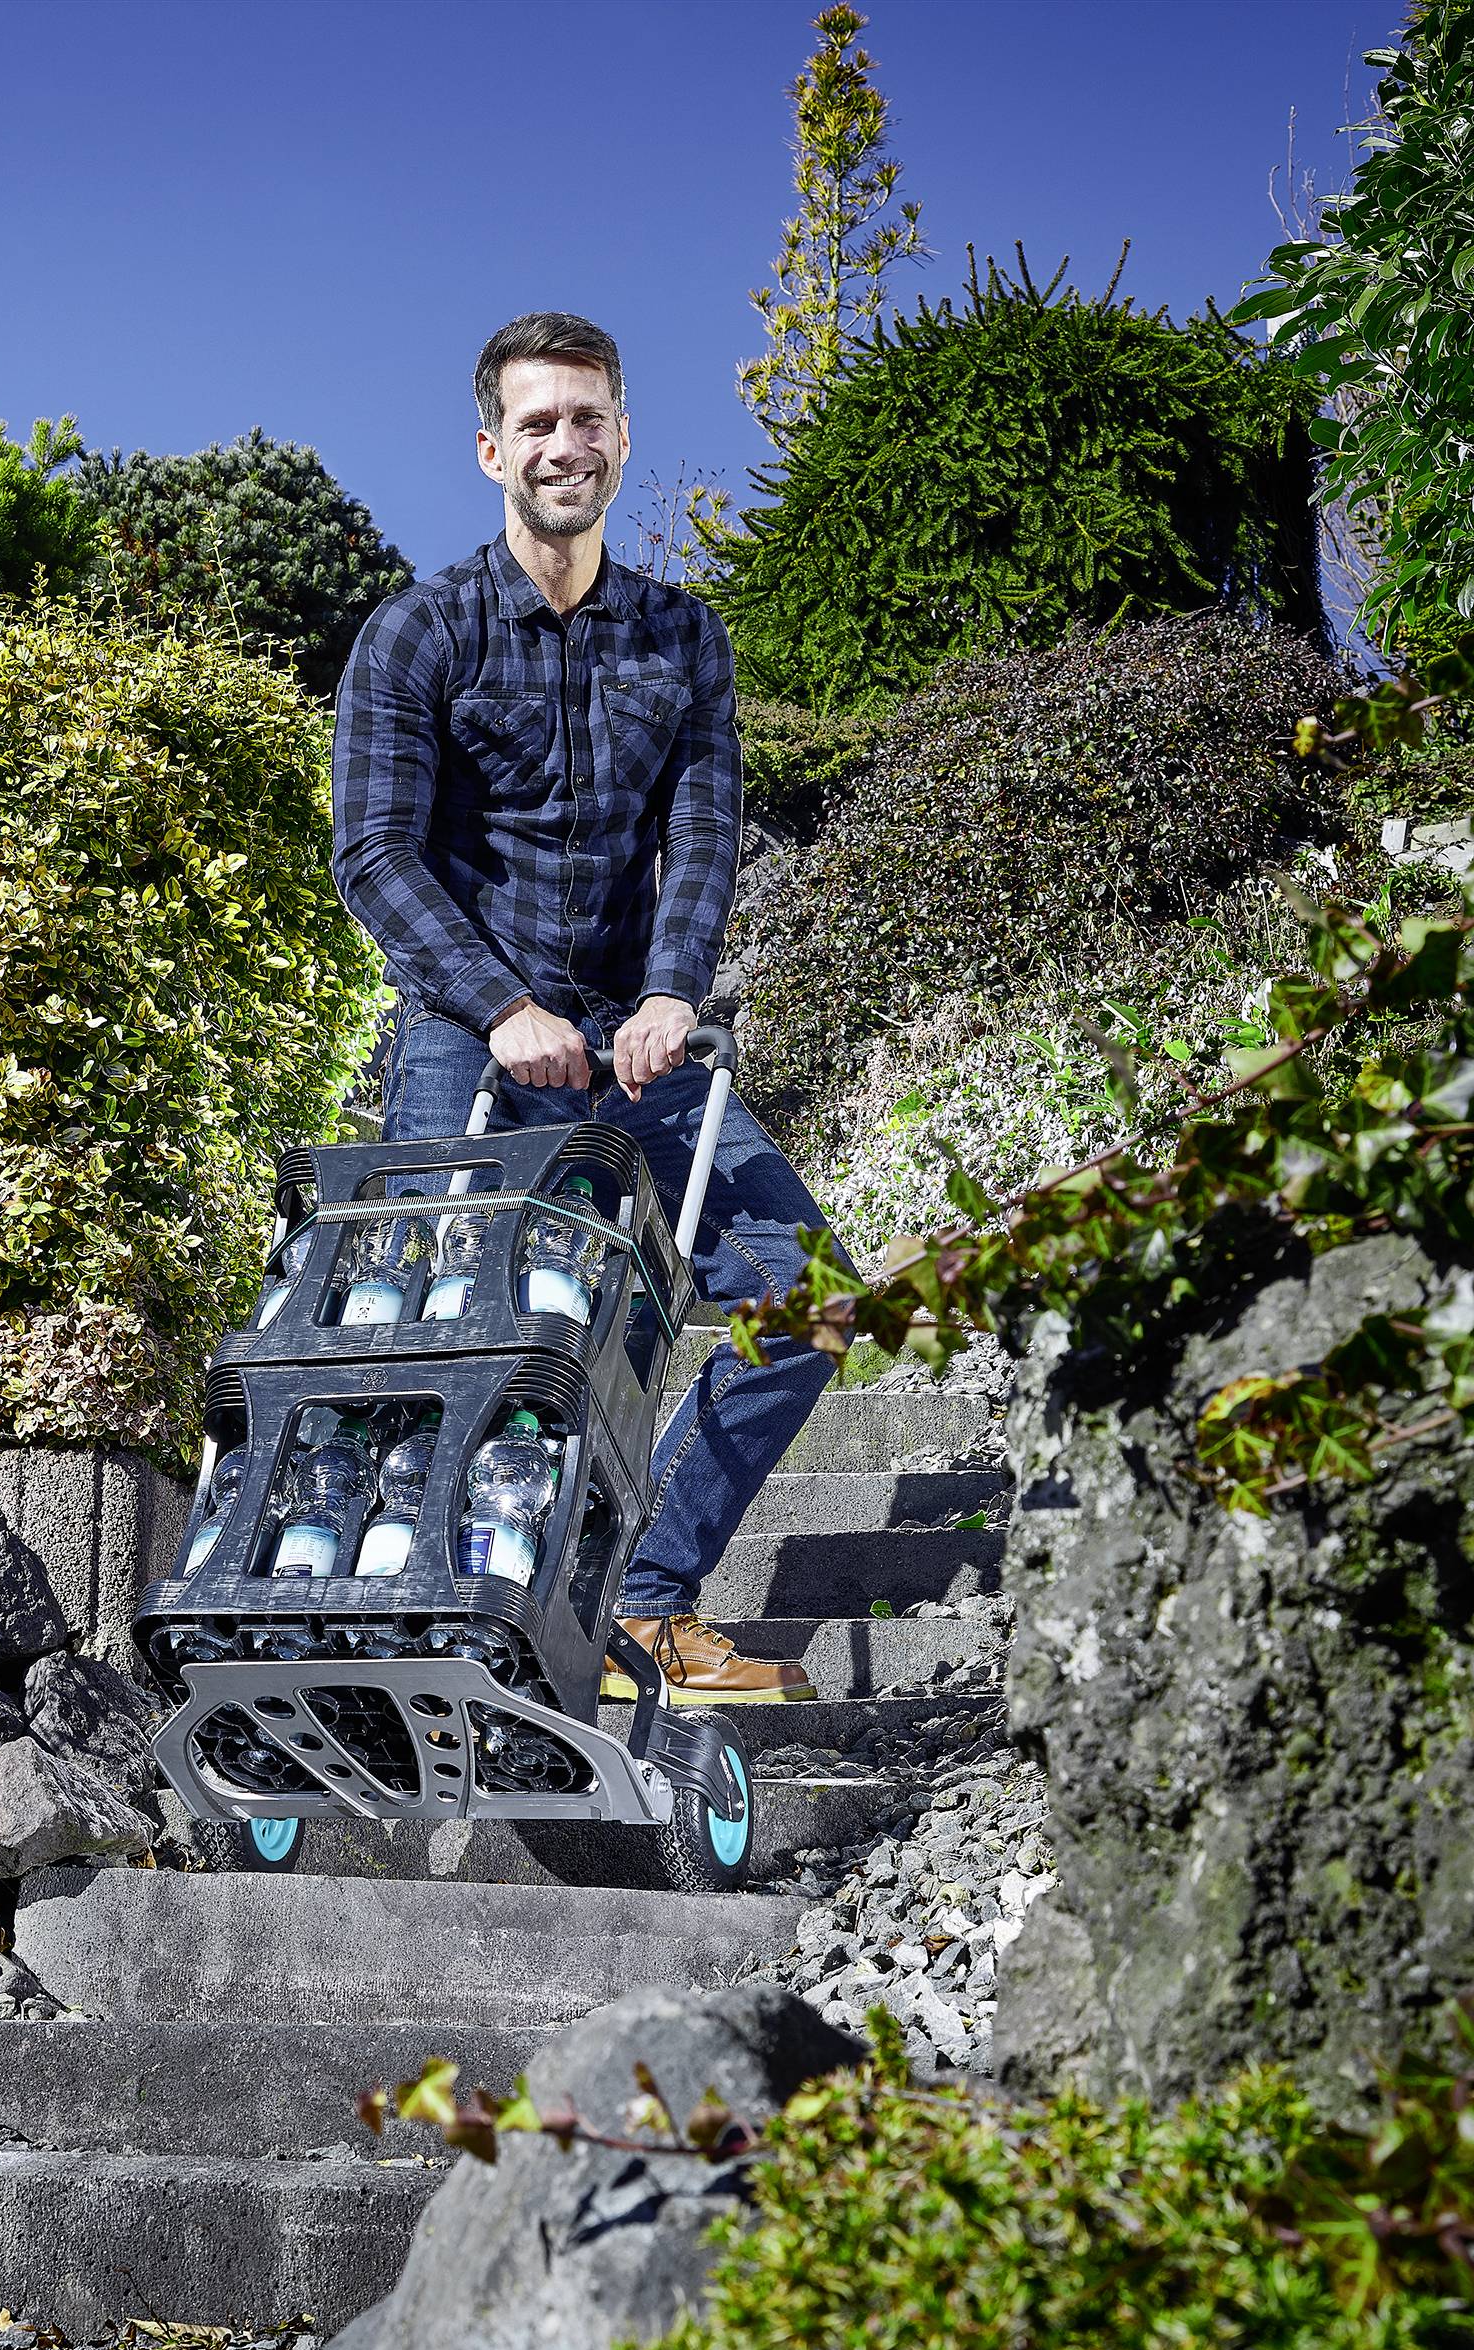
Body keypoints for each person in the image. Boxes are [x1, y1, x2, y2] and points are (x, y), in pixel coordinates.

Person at [331, 309, 843, 1705]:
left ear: (624, 437)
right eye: (538, 422)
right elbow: (374, 853)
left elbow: (708, 829)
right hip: (467, 1032)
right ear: (492, 447)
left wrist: (671, 991)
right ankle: (411, 1624)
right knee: (441, 1325)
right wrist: (498, 1007)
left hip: (634, 1031)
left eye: (589, 417)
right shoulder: (414, 635)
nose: (566, 443)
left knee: (808, 1292)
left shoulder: (687, 642)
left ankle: (641, 1607)